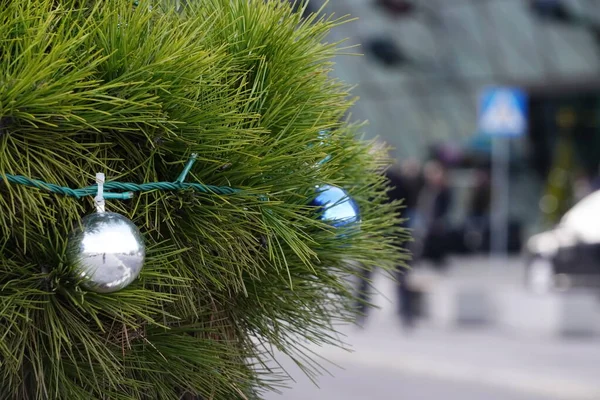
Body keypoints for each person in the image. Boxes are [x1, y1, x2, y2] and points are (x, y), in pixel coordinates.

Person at [356, 159, 422, 329]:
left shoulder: (369, 180)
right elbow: (409, 204)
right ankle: (406, 315)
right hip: (394, 230)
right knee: (399, 275)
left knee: (367, 276)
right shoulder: (399, 180)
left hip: (377, 231)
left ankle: (361, 313)